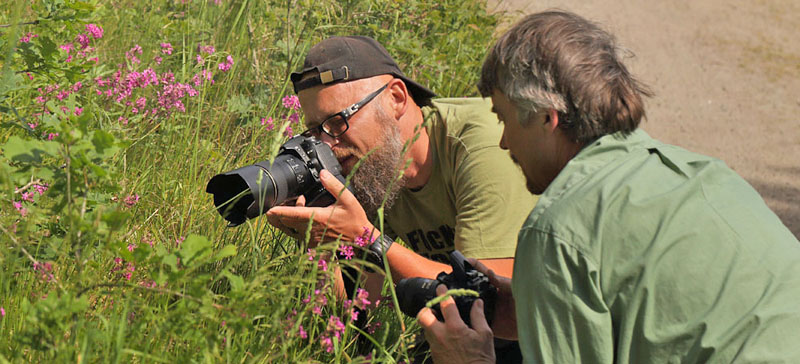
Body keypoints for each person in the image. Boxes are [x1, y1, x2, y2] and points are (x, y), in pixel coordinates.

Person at [418, 10, 800, 363]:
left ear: (546, 118)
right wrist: (531, 307)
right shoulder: (702, 172)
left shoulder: (557, 228)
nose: (503, 143)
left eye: (503, 120)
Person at [265, 36, 537, 361]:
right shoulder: (371, 167)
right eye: (314, 131)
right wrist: (321, 244)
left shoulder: (482, 144)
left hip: (542, 325)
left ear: (395, 98)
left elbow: (491, 305)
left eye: (338, 122)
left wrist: (365, 238)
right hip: (456, 322)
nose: (328, 143)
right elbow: (363, 306)